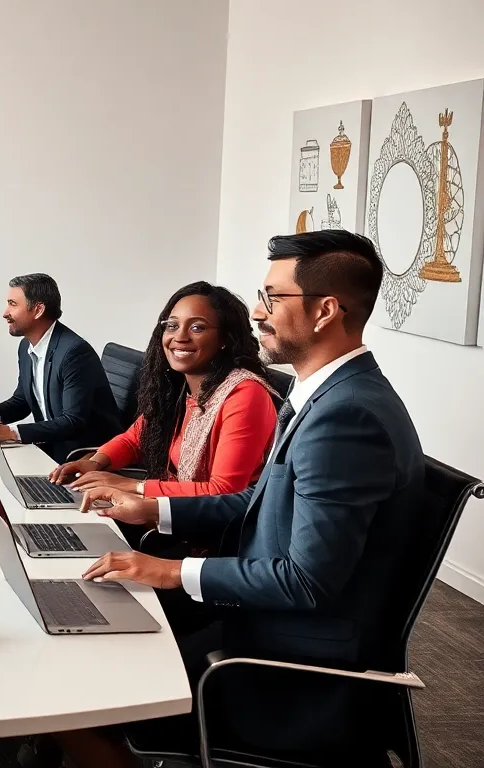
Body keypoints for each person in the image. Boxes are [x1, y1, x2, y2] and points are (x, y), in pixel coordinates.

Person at [59, 231, 424, 766]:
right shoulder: (327, 396)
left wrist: (170, 571)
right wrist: (153, 509)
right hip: (259, 616)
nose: (257, 311)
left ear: (325, 311)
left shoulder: (347, 416)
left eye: (273, 297)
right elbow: (255, 498)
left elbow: (307, 579)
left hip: (282, 662)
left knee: (81, 695)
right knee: (85, 622)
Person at [48, 282, 277, 498]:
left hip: (212, 532)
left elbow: (224, 492)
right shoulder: (176, 387)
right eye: (172, 326)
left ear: (224, 339)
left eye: (197, 327)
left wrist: (129, 486)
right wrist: (96, 462)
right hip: (167, 512)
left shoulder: (245, 394)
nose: (180, 337)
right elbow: (135, 439)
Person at [0, 273, 120, 463]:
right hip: (52, 446)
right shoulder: (26, 346)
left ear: (38, 310)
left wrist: (8, 432)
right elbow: (22, 400)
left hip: (82, 455)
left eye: (13, 304)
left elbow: (73, 422)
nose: (5, 313)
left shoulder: (74, 352)